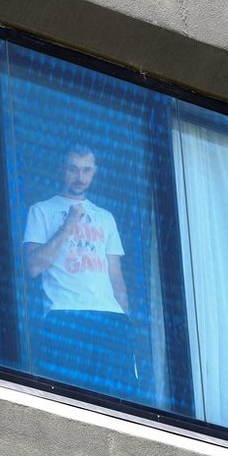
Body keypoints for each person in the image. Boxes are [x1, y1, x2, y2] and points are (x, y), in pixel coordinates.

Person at [23, 146, 142, 401]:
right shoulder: (41, 211)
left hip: (110, 320)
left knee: (119, 401)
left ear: (94, 172)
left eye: (87, 170)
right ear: (62, 169)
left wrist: (126, 321)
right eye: (73, 169)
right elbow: (33, 266)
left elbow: (116, 277)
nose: (80, 176)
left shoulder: (105, 217)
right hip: (66, 314)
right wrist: (68, 226)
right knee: (68, 398)